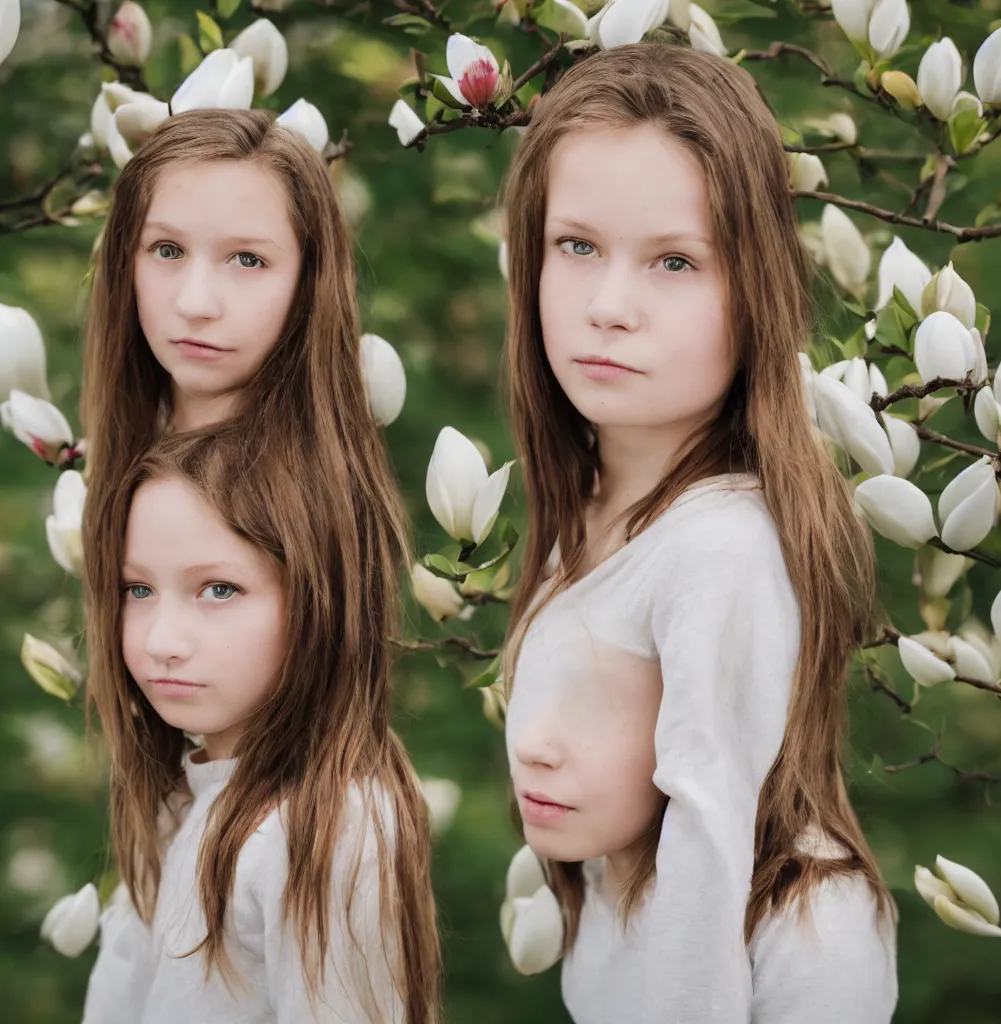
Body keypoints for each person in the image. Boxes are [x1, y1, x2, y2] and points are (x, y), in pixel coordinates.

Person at [501, 43, 897, 1023]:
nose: (608, 307)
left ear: (750, 289)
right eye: (576, 245)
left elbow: (712, 855)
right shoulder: (589, 513)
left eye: (673, 261)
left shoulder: (719, 547)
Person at [77, 108, 438, 1021]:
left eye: (247, 259)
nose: (197, 300)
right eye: (166, 251)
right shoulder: (196, 778)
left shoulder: (320, 829)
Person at [82, 429, 438, 1023]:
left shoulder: (323, 825)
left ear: (320, 602)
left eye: (218, 589)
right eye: (138, 588)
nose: (161, 641)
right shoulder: (183, 801)